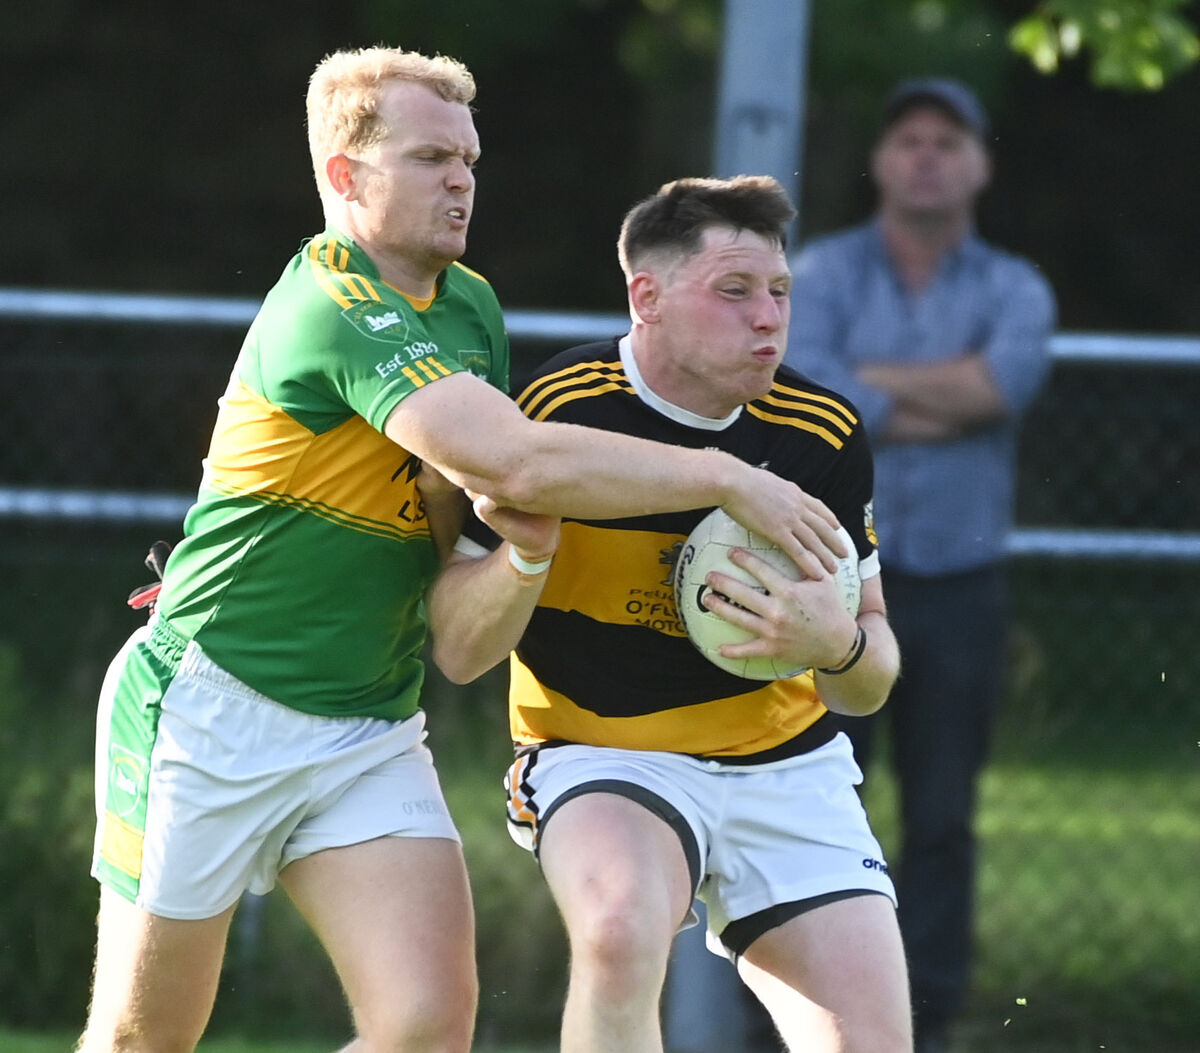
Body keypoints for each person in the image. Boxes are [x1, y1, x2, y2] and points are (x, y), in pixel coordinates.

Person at [77, 49, 847, 1053]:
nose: (462, 181)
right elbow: (515, 462)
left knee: (427, 1027)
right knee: (146, 1041)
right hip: (210, 708)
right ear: (347, 177)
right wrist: (726, 475)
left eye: (472, 160)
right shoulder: (332, 306)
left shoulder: (470, 308)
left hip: (365, 728)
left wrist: (522, 562)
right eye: (433, 156)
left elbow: (463, 622)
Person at [426, 175, 913, 1053]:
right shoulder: (551, 416)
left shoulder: (821, 432)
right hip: (602, 752)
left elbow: (870, 677)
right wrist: (526, 554)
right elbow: (458, 652)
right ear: (644, 297)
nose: (767, 317)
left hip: (786, 766)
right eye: (733, 291)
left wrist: (833, 642)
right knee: (616, 934)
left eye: (779, 292)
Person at [784, 79, 1056, 1053]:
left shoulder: (1016, 288)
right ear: (882, 162)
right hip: (828, 587)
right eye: (908, 140)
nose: (928, 156)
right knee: (807, 807)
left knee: (942, 818)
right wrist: (945, 396)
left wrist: (868, 393)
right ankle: (790, 1019)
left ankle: (923, 1024)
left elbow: (1003, 385)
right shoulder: (814, 275)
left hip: (957, 590)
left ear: (980, 163)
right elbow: (812, 395)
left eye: (949, 140)